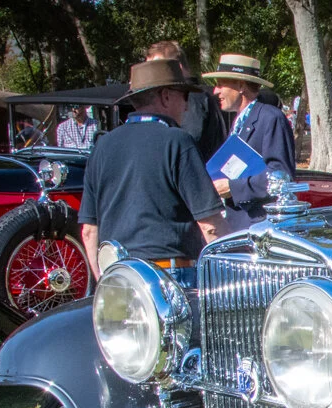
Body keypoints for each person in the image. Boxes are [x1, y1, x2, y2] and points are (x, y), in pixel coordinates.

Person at [78, 59, 225, 283]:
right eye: (184, 96)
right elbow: (210, 226)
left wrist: (104, 281)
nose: (187, 105)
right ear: (166, 96)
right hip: (170, 277)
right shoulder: (177, 141)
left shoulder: (102, 145)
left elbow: (89, 231)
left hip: (117, 277)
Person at [202, 53, 296, 230]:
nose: (216, 91)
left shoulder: (270, 118)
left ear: (240, 85)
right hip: (239, 224)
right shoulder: (239, 120)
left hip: (261, 228)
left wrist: (232, 187)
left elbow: (281, 177)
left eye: (221, 84)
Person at [145, 41, 227, 162]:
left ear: (178, 67)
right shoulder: (191, 97)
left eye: (158, 69)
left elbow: (187, 144)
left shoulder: (191, 98)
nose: (152, 75)